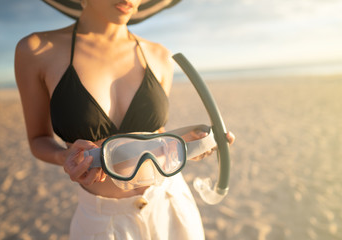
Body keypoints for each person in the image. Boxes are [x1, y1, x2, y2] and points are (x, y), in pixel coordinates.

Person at [15, 0, 235, 239]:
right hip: (101, 221)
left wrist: (186, 142)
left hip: (171, 205)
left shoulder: (159, 54)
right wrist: (64, 156)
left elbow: (154, 136)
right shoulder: (36, 50)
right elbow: (38, 139)